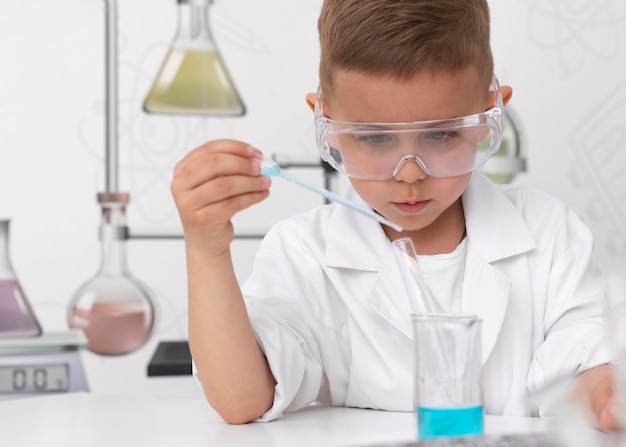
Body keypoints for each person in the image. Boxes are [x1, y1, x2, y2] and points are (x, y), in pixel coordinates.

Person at [171, 0, 617, 428]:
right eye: (376, 139)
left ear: (487, 115)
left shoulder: (551, 234)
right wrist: (206, 249)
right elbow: (241, 400)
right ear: (326, 120)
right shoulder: (304, 254)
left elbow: (586, 369)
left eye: (441, 136)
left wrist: (607, 398)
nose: (408, 174)